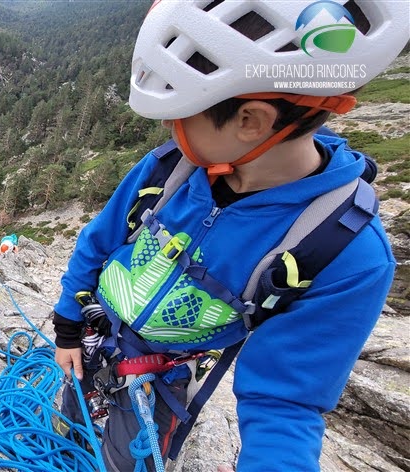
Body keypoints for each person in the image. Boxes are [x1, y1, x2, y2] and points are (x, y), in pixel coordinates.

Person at [52, 1, 408, 470]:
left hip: (163, 375)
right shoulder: (169, 169)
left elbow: (286, 403)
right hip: (98, 337)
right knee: (71, 423)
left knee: (127, 460)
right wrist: (68, 327)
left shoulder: (344, 251)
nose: (168, 127)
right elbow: (99, 241)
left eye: (181, 113)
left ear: (251, 121)